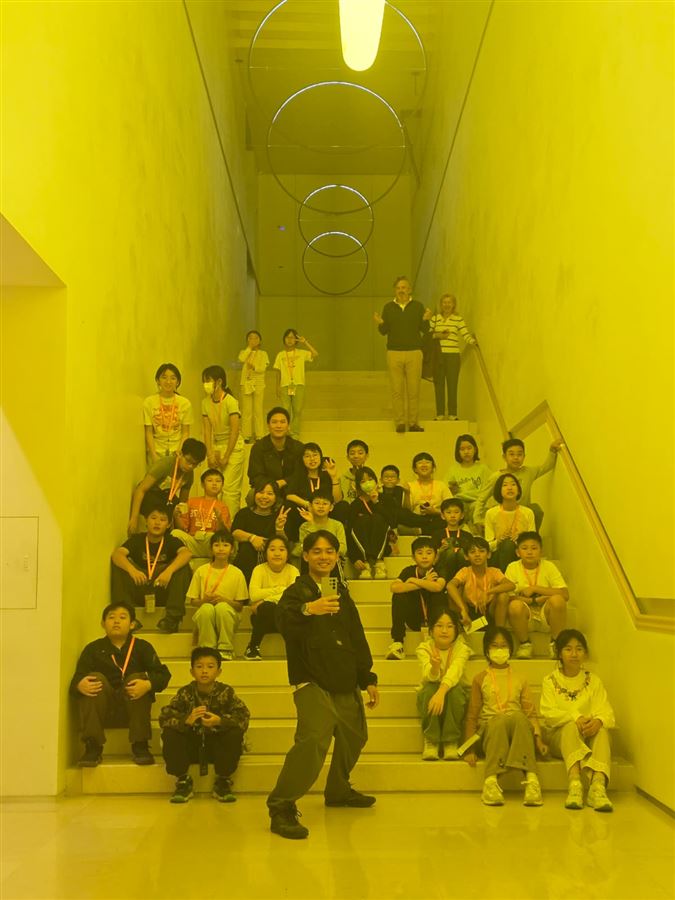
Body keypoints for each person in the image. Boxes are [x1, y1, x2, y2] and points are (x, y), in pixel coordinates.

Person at [266, 531, 379, 840]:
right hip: (310, 678)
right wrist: (308, 610)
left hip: (344, 677)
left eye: (330, 551)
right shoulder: (296, 592)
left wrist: (367, 677)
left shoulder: (340, 592)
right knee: (313, 739)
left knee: (355, 735)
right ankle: (281, 805)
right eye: (317, 551)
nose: (324, 556)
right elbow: (282, 621)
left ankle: (338, 790)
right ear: (305, 556)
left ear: (336, 556)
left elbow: (355, 636)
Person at [70, 602, 170, 767]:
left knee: (137, 679)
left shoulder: (142, 647)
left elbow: (163, 675)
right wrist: (79, 685)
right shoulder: (93, 649)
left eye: (122, 617)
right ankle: (93, 746)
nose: (116, 621)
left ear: (132, 624)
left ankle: (140, 744)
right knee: (93, 679)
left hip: (133, 707)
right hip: (103, 708)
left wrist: (148, 685)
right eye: (111, 618)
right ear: (103, 624)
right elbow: (76, 678)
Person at [463, 626, 547, 806]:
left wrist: (538, 740)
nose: (499, 650)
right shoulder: (480, 678)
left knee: (519, 717)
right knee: (499, 719)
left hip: (517, 730)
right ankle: (490, 783)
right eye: (495, 646)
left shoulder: (520, 678)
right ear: (487, 650)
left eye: (504, 645)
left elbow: (530, 713)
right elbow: (472, 715)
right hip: (491, 730)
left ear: (510, 649)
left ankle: (532, 781)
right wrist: (469, 749)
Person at [159, 647, 250, 803]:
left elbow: (243, 716)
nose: (204, 671)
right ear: (192, 671)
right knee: (170, 733)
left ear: (219, 671)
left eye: (210, 666)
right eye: (199, 666)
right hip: (192, 746)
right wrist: (186, 720)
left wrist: (220, 721)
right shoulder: (185, 693)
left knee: (234, 733)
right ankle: (183, 780)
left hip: (217, 746)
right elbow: (164, 717)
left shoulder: (226, 692)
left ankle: (223, 779)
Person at [540, 630, 615, 811]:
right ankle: (575, 785)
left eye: (579, 649)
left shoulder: (593, 680)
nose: (574, 654)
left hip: (589, 736)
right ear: (559, 653)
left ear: (585, 653)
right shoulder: (550, 681)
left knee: (602, 731)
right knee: (570, 728)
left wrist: (598, 721)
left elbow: (606, 711)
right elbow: (549, 713)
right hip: (560, 737)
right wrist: (576, 717)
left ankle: (598, 787)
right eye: (568, 649)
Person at [111, 504, 193, 633]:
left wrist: (168, 572)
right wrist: (132, 571)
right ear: (146, 521)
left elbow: (186, 554)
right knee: (120, 565)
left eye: (162, 519)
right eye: (153, 518)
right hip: (140, 587)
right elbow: (117, 555)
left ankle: (172, 620)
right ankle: (128, 617)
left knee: (183, 567)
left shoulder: (171, 540)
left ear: (168, 525)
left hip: (162, 589)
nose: (157, 523)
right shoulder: (137, 539)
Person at [374, 275, 432, 433]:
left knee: (414, 391)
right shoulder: (388, 307)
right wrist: (380, 323)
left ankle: (413, 423)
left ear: (410, 289)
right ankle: (399, 422)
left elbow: (424, 330)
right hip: (394, 353)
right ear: (395, 290)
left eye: (404, 287)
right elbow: (384, 331)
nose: (401, 290)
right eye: (398, 288)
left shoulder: (418, 306)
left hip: (414, 352)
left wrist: (426, 319)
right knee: (397, 391)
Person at [416, 608, 471, 761]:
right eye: (439, 626)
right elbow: (428, 676)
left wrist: (441, 692)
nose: (444, 631)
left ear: (456, 630)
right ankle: (431, 740)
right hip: (431, 692)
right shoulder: (424, 648)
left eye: (450, 626)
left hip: (454, 693)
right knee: (429, 689)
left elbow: (455, 671)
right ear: (431, 630)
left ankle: (450, 741)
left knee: (455, 691)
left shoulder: (462, 649)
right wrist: (434, 668)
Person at [473, 437, 563, 530]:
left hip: (522, 515)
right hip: (503, 517)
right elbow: (482, 498)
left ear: (524, 456)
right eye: (511, 454)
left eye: (519, 454)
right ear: (504, 457)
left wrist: (552, 450)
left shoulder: (528, 472)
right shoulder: (496, 477)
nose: (516, 457)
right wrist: (477, 519)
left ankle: (532, 536)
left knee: (535, 510)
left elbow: (546, 467)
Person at [505, 531, 569, 659]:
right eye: (524, 548)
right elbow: (508, 597)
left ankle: (556, 644)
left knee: (558, 600)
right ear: (517, 552)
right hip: (524, 616)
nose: (529, 552)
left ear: (541, 551)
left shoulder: (549, 566)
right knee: (514, 605)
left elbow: (565, 594)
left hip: (547, 615)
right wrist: (533, 601)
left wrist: (535, 588)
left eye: (534, 548)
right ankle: (525, 644)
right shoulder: (513, 567)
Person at [186, 530, 248, 660]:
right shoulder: (201, 571)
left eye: (225, 545)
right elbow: (193, 601)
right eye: (217, 545)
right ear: (211, 549)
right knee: (206, 608)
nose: (221, 549)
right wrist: (204, 600)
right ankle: (207, 648)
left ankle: (226, 648)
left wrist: (224, 600)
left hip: (228, 614)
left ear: (232, 549)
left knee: (222, 608)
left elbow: (239, 606)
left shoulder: (237, 573)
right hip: (205, 614)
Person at [127, 438, 207, 536]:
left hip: (167, 497)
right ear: (180, 454)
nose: (190, 466)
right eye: (188, 461)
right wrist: (133, 518)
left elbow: (182, 502)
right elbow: (141, 489)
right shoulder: (165, 464)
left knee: (175, 510)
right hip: (150, 494)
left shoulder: (189, 475)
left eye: (194, 464)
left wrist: (182, 522)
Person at [386, 536, 447, 660]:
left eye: (429, 553)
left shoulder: (440, 569)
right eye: (420, 553)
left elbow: (438, 587)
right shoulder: (408, 571)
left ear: (436, 556)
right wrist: (424, 581)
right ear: (413, 557)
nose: (424, 557)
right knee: (399, 596)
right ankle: (398, 643)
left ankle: (437, 640)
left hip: (434, 618)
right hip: (414, 619)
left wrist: (413, 580)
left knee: (440, 595)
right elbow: (394, 587)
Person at [244, 536, 300, 660]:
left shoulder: (293, 571)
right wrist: (281, 590)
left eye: (282, 549)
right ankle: (253, 647)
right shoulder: (259, 569)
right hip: (267, 616)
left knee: (268, 608)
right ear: (265, 553)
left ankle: (252, 647)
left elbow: (293, 597)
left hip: (285, 617)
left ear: (288, 554)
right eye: (272, 549)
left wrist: (264, 599)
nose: (277, 553)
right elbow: (254, 595)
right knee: (266, 608)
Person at [201, 365, 245, 520]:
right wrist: (209, 453)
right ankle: (214, 523)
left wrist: (227, 455)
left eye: (208, 380)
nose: (205, 384)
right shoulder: (205, 402)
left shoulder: (231, 401)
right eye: (204, 381)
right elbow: (207, 431)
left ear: (219, 382)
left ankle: (231, 524)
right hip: (216, 445)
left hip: (233, 447)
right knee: (213, 488)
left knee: (230, 491)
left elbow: (235, 431)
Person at [446, 536, 515, 631]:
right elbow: (450, 586)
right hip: (468, 609)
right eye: (472, 552)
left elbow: (511, 585)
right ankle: (459, 625)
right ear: (466, 556)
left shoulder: (494, 571)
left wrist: (488, 592)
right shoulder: (464, 571)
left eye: (481, 551)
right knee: (452, 593)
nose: (477, 555)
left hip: (490, 610)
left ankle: (499, 632)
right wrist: (463, 609)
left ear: (488, 554)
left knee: (503, 595)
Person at [231, 479, 290, 583]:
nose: (264, 497)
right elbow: (235, 532)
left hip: (271, 563)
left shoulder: (280, 516)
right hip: (246, 561)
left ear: (276, 497)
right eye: (261, 492)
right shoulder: (244, 513)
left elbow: (284, 543)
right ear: (254, 494)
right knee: (247, 549)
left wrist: (279, 528)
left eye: (270, 494)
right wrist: (252, 538)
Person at [429, 294, 477, 420]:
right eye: (444, 302)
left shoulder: (458, 319)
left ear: (453, 305)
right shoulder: (434, 319)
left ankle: (452, 414)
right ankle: (440, 413)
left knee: (452, 384)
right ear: (441, 305)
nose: (446, 305)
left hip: (453, 356)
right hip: (438, 356)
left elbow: (465, 334)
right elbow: (428, 335)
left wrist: (472, 342)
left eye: (449, 302)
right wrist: (438, 335)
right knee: (439, 384)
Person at [284, 442, 341, 542]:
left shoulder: (327, 476)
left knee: (342, 506)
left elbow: (337, 499)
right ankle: (293, 541)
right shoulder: (298, 476)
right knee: (288, 505)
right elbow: (289, 496)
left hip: (326, 511)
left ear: (320, 457)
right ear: (302, 459)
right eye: (307, 456)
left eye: (315, 455)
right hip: (305, 512)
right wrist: (307, 504)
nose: (312, 459)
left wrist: (333, 477)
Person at [172, 468, 231, 563]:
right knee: (175, 533)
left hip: (210, 542)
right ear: (202, 484)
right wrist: (176, 516)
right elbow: (182, 529)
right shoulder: (191, 502)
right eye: (210, 480)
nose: (214, 484)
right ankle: (186, 554)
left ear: (222, 485)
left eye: (218, 481)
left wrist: (219, 519)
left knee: (214, 537)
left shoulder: (222, 506)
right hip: (193, 540)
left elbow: (224, 534)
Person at [347, 468, 394, 580]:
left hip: (384, 543)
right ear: (358, 485)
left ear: (376, 481)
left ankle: (379, 562)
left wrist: (376, 502)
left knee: (378, 518)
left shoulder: (385, 499)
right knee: (363, 520)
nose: (367, 483)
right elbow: (350, 530)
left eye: (370, 479)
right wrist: (354, 557)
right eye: (363, 481)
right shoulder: (355, 505)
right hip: (362, 548)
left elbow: (391, 521)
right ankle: (366, 564)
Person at [484, 473, 536, 571]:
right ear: (499, 491)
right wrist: (498, 541)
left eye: (513, 484)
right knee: (507, 544)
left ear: (518, 490)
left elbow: (533, 541)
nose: (510, 488)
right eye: (505, 485)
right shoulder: (491, 513)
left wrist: (520, 539)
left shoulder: (528, 512)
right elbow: (487, 546)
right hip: (498, 557)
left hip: (522, 554)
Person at [246, 407, 304, 494]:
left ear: (288, 426)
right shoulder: (258, 447)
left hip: (293, 490)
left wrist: (283, 482)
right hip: (267, 489)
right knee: (251, 494)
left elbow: (301, 473)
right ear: (268, 425)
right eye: (274, 422)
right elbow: (255, 476)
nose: (278, 426)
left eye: (282, 422)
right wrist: (273, 485)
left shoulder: (298, 447)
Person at [272, 329, 318, 439]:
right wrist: (277, 386)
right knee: (286, 410)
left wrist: (305, 342)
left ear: (296, 340)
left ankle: (295, 433)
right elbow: (278, 372)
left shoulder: (301, 353)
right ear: (284, 339)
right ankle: (286, 432)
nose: (290, 340)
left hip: (298, 384)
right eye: (287, 337)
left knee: (297, 410)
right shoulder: (280, 355)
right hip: (284, 385)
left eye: (292, 337)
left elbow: (315, 354)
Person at [143, 363, 193, 462]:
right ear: (158, 380)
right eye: (164, 377)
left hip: (177, 452)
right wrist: (153, 455)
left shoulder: (185, 403)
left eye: (173, 378)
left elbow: (185, 432)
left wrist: (180, 451)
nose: (168, 382)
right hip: (156, 451)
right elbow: (148, 432)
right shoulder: (149, 402)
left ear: (178, 382)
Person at [445, 434, 492, 527]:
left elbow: (491, 487)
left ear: (475, 449)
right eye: (462, 449)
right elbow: (446, 490)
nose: (466, 452)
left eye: (469, 448)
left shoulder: (483, 468)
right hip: (460, 502)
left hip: (478, 502)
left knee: (478, 509)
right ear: (458, 452)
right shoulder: (453, 470)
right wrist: (451, 490)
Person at [297, 491, 347, 570]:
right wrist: (312, 524)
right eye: (317, 503)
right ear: (310, 506)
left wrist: (326, 552)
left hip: (332, 563)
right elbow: (304, 549)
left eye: (325, 504)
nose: (321, 506)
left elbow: (343, 549)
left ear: (331, 507)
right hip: (312, 563)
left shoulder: (337, 525)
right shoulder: (304, 526)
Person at [430, 498, 474, 581]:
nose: (453, 516)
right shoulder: (437, 534)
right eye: (448, 512)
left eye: (456, 512)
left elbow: (471, 556)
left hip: (463, 570)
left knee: (462, 553)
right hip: (443, 569)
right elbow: (433, 559)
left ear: (462, 515)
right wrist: (441, 551)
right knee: (450, 553)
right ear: (443, 516)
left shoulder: (467, 536)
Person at [238, 330, 269, 444]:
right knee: (246, 410)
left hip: (259, 383)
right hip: (246, 382)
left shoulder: (263, 354)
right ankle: (246, 435)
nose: (253, 340)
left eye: (256, 338)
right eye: (250, 338)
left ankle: (259, 435)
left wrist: (254, 367)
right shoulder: (244, 352)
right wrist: (249, 348)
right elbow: (241, 359)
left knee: (258, 410)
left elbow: (262, 368)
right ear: (247, 340)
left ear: (260, 340)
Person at [378, 464, 428, 533]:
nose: (389, 479)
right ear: (381, 480)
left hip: (402, 517)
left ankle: (427, 522)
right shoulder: (379, 491)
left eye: (392, 477)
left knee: (403, 513)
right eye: (386, 477)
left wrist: (407, 493)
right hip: (388, 518)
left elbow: (407, 510)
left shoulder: (400, 490)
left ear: (398, 480)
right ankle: (427, 522)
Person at [406, 452, 451, 525]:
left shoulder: (441, 485)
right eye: (420, 463)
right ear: (415, 469)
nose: (424, 465)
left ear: (433, 468)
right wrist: (407, 493)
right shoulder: (410, 485)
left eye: (427, 462)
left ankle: (421, 529)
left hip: (437, 517)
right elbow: (407, 511)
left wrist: (435, 511)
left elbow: (451, 507)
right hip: (417, 518)